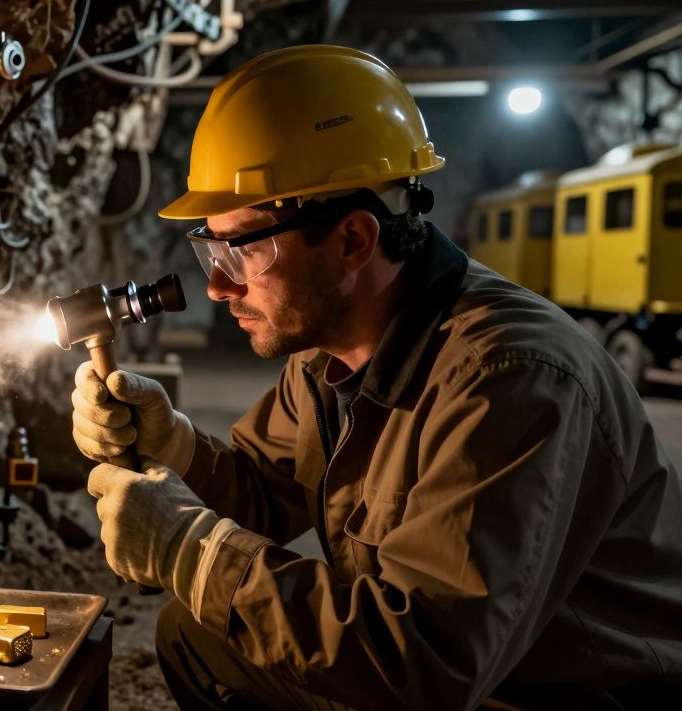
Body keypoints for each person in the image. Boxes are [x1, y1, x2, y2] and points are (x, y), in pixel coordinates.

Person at [72, 44, 682, 710]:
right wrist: (175, 445)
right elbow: (259, 491)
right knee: (200, 635)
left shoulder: (509, 379)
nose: (217, 286)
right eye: (210, 248)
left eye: (244, 250)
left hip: (555, 693)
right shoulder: (329, 354)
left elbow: (424, 660)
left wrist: (189, 549)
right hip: (460, 677)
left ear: (354, 240)